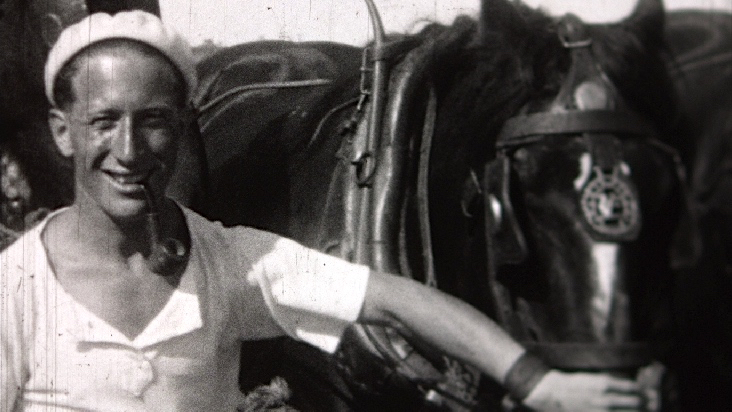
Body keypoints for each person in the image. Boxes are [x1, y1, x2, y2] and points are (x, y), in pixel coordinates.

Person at [0, 11, 652, 411]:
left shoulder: (227, 264)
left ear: (183, 130)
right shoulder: (15, 294)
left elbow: (392, 299)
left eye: (154, 122)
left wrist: (537, 382)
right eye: (103, 121)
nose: (129, 150)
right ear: (63, 133)